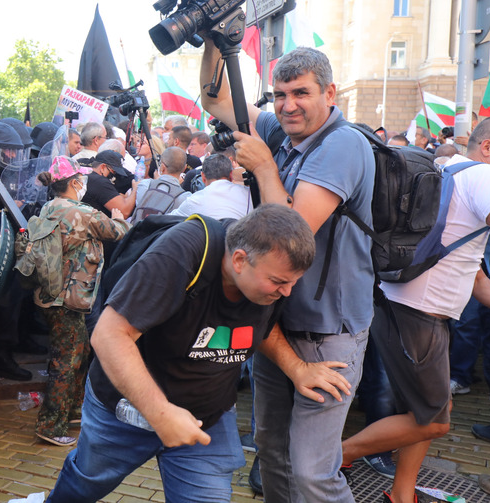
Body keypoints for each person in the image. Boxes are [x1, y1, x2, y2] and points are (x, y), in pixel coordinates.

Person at [47, 204, 323, 502]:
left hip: (206, 419)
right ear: (240, 260)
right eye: (279, 282)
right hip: (126, 412)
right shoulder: (181, 253)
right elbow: (109, 335)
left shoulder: (268, 279)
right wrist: (162, 415)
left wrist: (297, 368)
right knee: (83, 487)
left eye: (293, 282)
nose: (287, 293)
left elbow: (261, 328)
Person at [201, 43, 375, 502]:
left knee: (314, 471)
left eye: (301, 93)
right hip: (275, 321)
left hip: (327, 333)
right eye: (279, 94)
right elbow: (215, 100)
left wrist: (262, 167)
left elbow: (291, 232)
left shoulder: (343, 144)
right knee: (272, 453)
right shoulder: (285, 131)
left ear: (330, 93)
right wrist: (213, 41)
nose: (288, 105)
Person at [341, 117, 490, 503]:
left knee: (426, 411)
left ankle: (402, 492)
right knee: (436, 422)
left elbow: (470, 271)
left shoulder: (450, 172)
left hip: (411, 307)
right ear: (489, 146)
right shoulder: (485, 177)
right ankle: (333, 457)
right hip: (417, 312)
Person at [32, 156, 130, 446]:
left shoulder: (49, 207)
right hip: (69, 297)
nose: (85, 183)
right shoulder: (81, 212)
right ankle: (50, 426)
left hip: (48, 294)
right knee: (68, 359)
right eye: (82, 179)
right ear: (74, 183)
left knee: (77, 350)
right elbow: (117, 232)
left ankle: (72, 409)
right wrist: (120, 219)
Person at [170, 153, 253, 220]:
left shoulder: (194, 200)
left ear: (203, 177)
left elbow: (170, 218)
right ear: (231, 175)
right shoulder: (249, 194)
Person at [130, 146, 191, 222]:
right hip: (163, 233)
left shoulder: (145, 185)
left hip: (139, 231)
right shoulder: (185, 197)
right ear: (184, 168)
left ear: (162, 167)